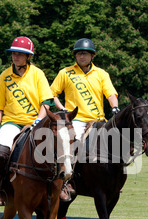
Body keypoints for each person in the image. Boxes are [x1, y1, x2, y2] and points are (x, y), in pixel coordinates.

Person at [0, 36, 55, 206]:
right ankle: (0, 190)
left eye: (20, 54)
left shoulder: (38, 74)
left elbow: (46, 102)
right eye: (14, 53)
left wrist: (38, 120)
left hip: (36, 121)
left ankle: (58, 188)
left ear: (28, 57)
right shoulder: (4, 76)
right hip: (12, 123)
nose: (16, 56)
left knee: (56, 150)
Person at [50, 38, 119, 201]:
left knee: (118, 145)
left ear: (92, 56)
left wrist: (114, 106)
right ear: (75, 55)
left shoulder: (101, 74)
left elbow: (111, 94)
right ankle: (67, 182)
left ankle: (115, 181)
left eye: (86, 53)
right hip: (76, 119)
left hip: (98, 119)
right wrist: (62, 109)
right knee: (75, 146)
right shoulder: (65, 73)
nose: (82, 56)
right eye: (79, 53)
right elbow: (52, 94)